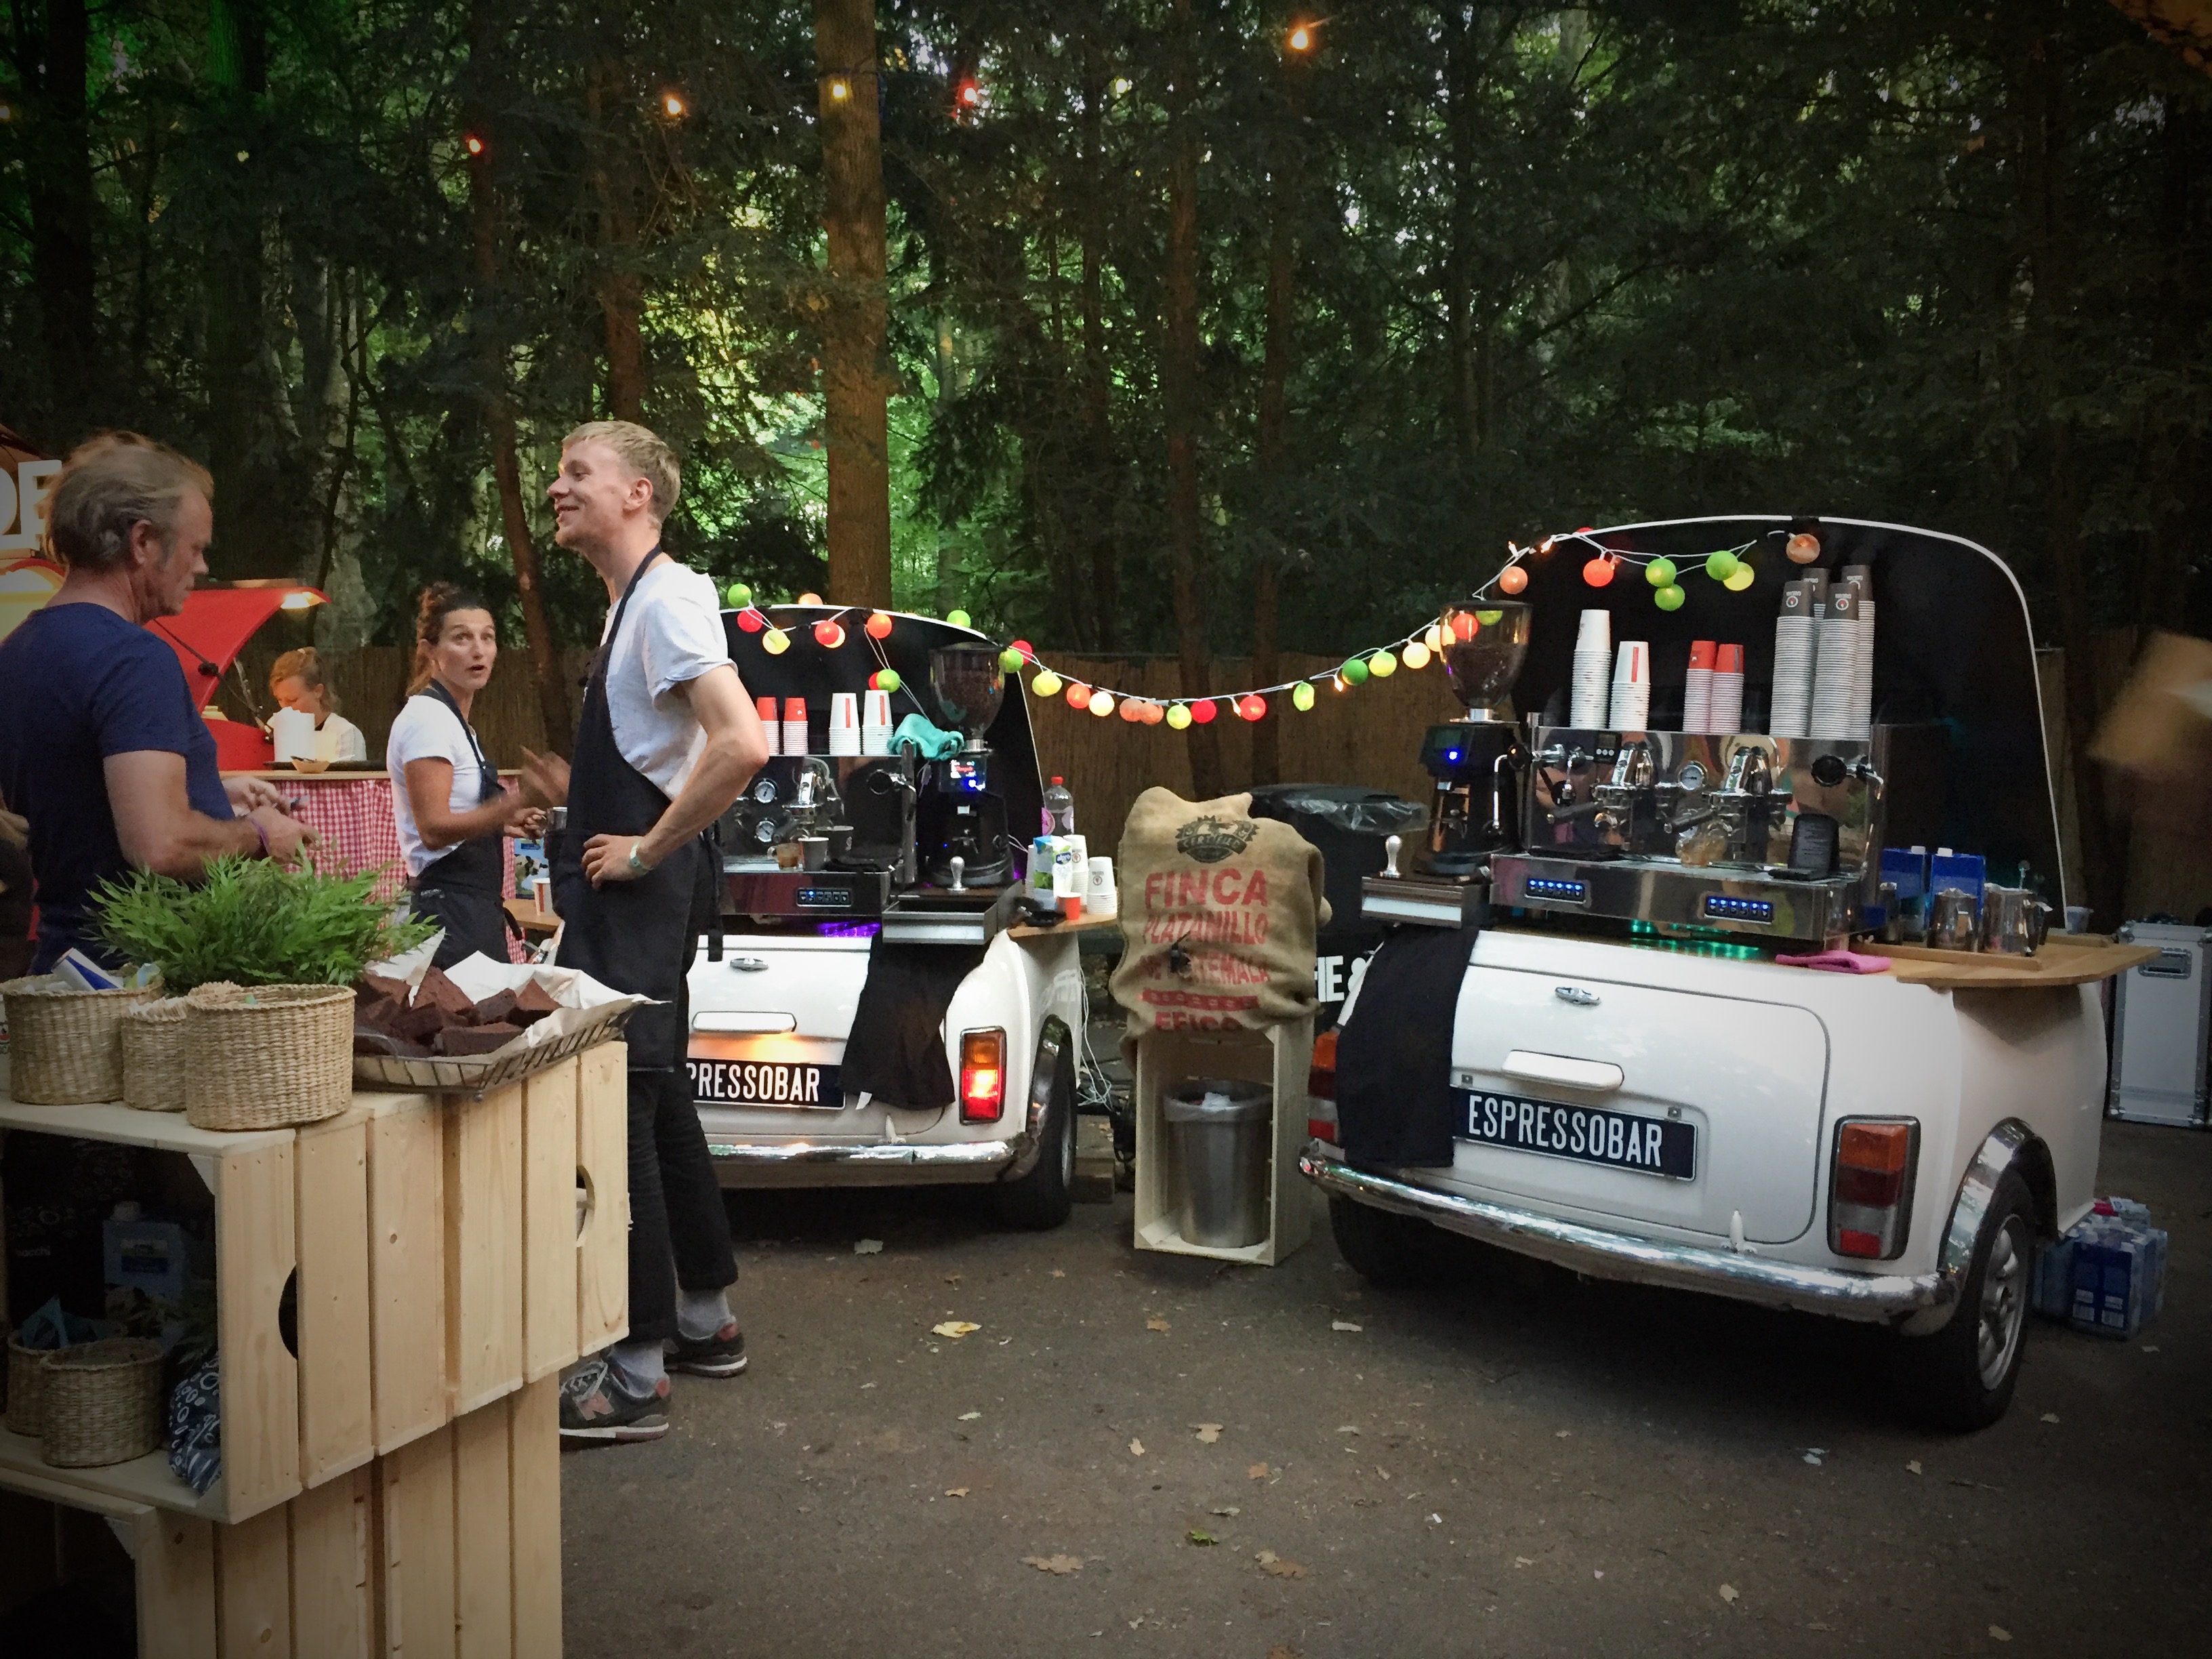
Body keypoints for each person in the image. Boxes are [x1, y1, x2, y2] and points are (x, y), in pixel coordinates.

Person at [518, 419, 771, 1443]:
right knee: (659, 1108)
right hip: (627, 900)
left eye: (578, 472)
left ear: (638, 496)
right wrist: (576, 818)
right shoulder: (630, 604)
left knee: (616, 1115)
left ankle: (633, 1367)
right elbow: (663, 756)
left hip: (637, 903)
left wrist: (643, 851)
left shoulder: (663, 598)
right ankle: (706, 1322)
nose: (556, 488)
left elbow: (741, 742)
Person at [0, 434, 312, 972]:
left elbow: (71, 791)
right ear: (142, 541)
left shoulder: (19, 649)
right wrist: (262, 834)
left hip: (65, 970)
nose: (201, 566)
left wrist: (209, 786)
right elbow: (160, 845)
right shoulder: (133, 658)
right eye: (195, 547)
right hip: (141, 984)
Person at [386, 585, 542, 968]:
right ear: (430, 651)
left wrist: (505, 823)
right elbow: (434, 829)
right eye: (461, 638)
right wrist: (519, 799)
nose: (478, 650)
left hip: (471, 910)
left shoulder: (457, 724)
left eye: (487, 638)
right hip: (445, 916)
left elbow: (456, 813)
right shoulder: (429, 719)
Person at [268, 647, 367, 762]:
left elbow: (342, 780)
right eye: (280, 700)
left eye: (293, 700)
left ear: (318, 691)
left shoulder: (343, 734)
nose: (285, 709)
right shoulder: (276, 732)